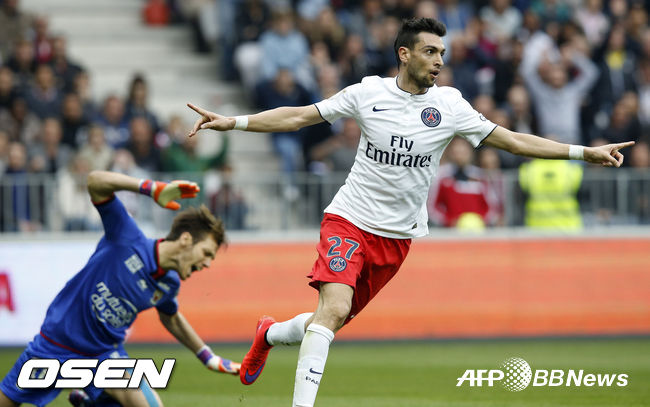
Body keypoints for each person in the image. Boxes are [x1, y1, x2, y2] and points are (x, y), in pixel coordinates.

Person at [187, 17, 634, 407]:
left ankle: (268, 334)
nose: (439, 61)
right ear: (404, 54)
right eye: (430, 51)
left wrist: (583, 152)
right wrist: (234, 122)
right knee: (334, 307)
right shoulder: (367, 93)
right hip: (349, 219)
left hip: (396, 238)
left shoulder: (450, 106)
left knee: (328, 319)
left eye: (442, 53)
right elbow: (299, 117)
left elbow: (513, 141)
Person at [0, 170, 240, 407]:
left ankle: (91, 401)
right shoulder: (127, 236)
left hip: (104, 354)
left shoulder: (169, 284)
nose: (207, 264)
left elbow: (172, 318)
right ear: (186, 240)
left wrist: (208, 357)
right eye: (206, 253)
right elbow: (95, 181)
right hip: (56, 344)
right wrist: (150, 188)